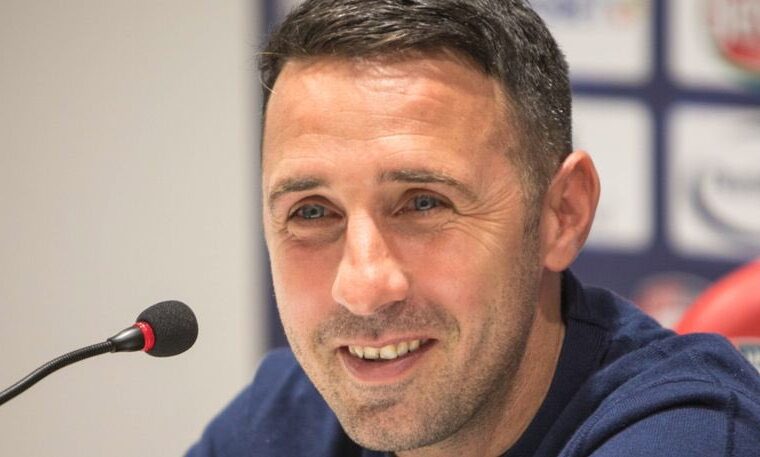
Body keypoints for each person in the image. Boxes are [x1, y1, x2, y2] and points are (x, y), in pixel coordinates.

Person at [187, 0, 760, 455]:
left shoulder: (684, 435)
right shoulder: (286, 416)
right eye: (312, 212)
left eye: (423, 204)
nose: (362, 289)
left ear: (563, 213)